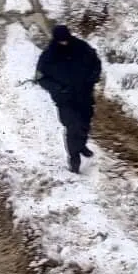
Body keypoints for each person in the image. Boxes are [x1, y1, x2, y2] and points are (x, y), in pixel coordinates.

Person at [35, 25, 102, 173]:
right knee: (72, 128)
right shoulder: (48, 56)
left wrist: (93, 77)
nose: (64, 43)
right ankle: (74, 159)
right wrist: (58, 88)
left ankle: (81, 145)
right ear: (56, 40)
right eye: (61, 41)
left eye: (66, 40)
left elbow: (96, 62)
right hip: (65, 100)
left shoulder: (82, 47)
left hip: (84, 95)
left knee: (85, 124)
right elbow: (40, 78)